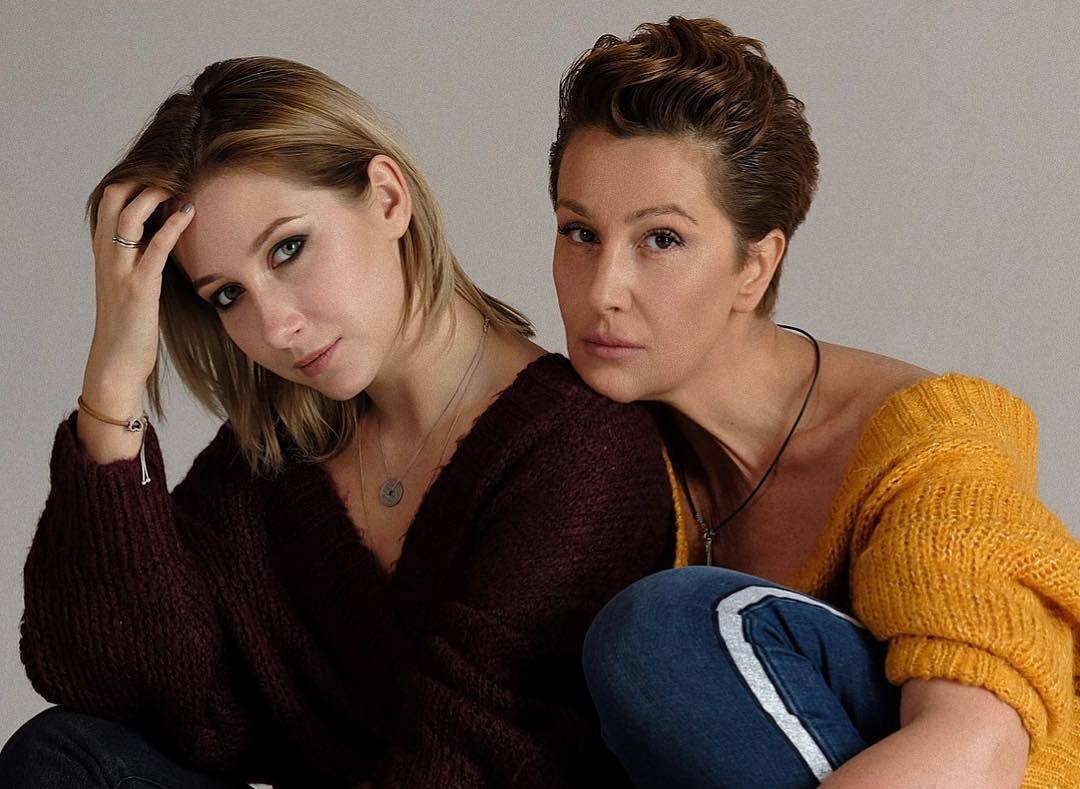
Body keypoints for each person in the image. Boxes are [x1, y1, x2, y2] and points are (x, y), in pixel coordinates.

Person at [0, 56, 676, 789]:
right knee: (62, 751)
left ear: (387, 198)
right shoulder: (269, 462)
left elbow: (471, 761)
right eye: (228, 295)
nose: (275, 327)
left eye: (287, 249)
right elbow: (108, 683)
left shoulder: (581, 452)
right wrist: (113, 382)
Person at [547, 17, 1080, 789]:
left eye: (661, 239)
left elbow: (978, 751)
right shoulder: (607, 444)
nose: (604, 291)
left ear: (756, 266)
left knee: (665, 632)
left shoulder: (933, 447)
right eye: (579, 232)